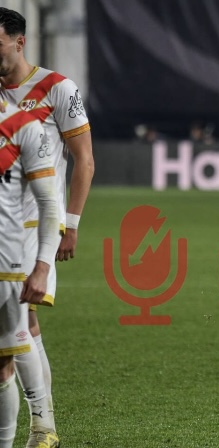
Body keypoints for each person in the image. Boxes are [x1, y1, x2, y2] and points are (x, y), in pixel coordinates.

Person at [0, 8, 94, 446]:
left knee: (19, 320)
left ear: (19, 42)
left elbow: (84, 160)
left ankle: (43, 425)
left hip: (34, 225)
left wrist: (70, 224)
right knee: (19, 325)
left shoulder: (57, 89)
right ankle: (41, 426)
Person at [0, 102, 60, 447]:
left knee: (4, 361)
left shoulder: (24, 126)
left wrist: (42, 265)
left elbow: (49, 202)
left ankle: (41, 425)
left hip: (5, 266)